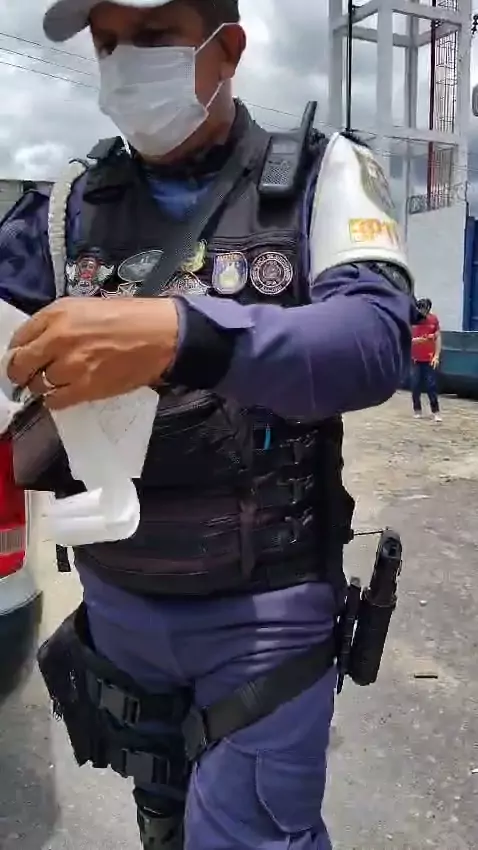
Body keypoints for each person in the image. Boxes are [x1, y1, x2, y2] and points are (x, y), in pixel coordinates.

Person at [1, 1, 413, 848]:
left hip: (264, 616)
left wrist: (182, 335)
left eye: (154, 36)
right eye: (107, 43)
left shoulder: (324, 172)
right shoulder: (66, 205)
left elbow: (374, 342)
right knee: (161, 823)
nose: (124, 62)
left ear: (227, 50)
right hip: (119, 605)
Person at [411, 297, 442, 421]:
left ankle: (436, 411)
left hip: (429, 358)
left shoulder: (433, 320)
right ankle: (417, 409)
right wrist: (419, 340)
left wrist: (436, 356)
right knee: (415, 385)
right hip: (415, 359)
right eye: (420, 309)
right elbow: (407, 339)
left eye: (424, 309)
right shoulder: (412, 321)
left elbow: (438, 337)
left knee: (431, 386)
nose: (422, 312)